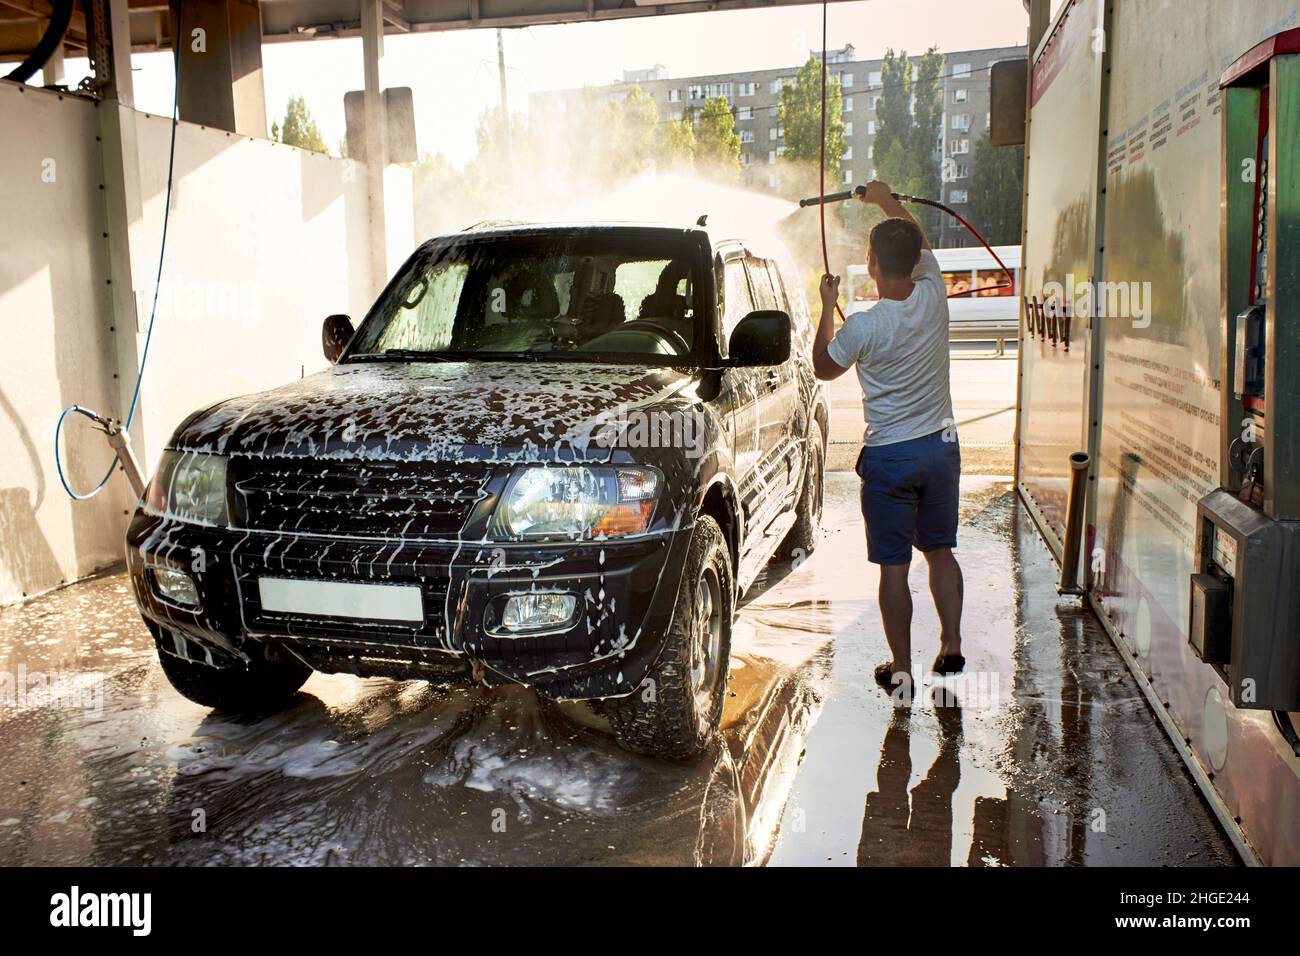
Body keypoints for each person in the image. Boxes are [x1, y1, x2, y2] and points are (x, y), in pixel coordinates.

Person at [812, 181, 964, 698]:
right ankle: (952, 645)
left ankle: (901, 669)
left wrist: (825, 305)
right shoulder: (934, 291)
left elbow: (822, 367)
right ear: (916, 262)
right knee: (940, 551)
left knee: (894, 569)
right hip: (940, 449)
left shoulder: (863, 325)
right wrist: (885, 201)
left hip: (890, 459)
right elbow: (918, 243)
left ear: (872, 263)